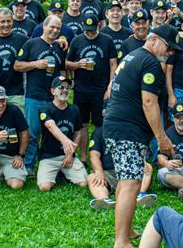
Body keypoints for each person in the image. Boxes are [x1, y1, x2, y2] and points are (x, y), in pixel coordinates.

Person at [103, 25, 180, 248]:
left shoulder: (132, 56)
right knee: (131, 182)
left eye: (173, 50)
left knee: (126, 180)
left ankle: (126, 229)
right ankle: (121, 241)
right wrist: (162, 138)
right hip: (127, 129)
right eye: (168, 47)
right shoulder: (150, 63)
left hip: (117, 126)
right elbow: (149, 102)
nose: (170, 52)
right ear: (154, 39)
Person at [14, 15, 66, 177]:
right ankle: (29, 165)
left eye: (58, 28)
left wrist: (63, 88)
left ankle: (51, 164)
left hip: (54, 98)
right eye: (52, 27)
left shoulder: (60, 47)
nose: (55, 30)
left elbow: (63, 69)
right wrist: (35, 64)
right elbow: (17, 65)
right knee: (32, 132)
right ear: (44, 26)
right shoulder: (31, 44)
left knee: (53, 133)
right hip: (34, 95)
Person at [66, 14, 117, 164]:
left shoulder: (107, 40)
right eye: (87, 30)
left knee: (101, 124)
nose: (89, 33)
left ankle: (100, 155)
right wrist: (77, 65)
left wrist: (110, 86)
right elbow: (67, 63)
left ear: (98, 26)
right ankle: (83, 157)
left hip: (101, 90)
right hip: (81, 90)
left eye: (92, 30)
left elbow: (113, 64)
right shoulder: (77, 40)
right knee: (82, 123)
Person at [36, 76, 88, 191]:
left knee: (84, 183)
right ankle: (59, 173)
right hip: (49, 156)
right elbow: (51, 126)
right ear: (52, 91)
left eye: (67, 87)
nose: (65, 90)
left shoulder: (74, 109)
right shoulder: (45, 110)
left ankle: (63, 172)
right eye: (60, 87)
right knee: (44, 187)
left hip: (67, 155)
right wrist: (65, 141)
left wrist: (71, 154)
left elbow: (78, 133)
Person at [88, 125, 155, 210]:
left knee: (147, 167)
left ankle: (140, 195)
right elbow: (94, 155)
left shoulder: (129, 128)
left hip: (129, 171)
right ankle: (104, 200)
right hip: (108, 174)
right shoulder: (99, 132)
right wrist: (99, 172)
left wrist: (142, 161)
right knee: (91, 177)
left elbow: (139, 148)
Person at [0, 8, 29, 114]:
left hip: (16, 93)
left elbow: (38, 46)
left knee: (19, 122)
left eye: (9, 21)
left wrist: (56, 42)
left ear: (13, 21)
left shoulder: (23, 39)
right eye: (2, 21)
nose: (6, 24)